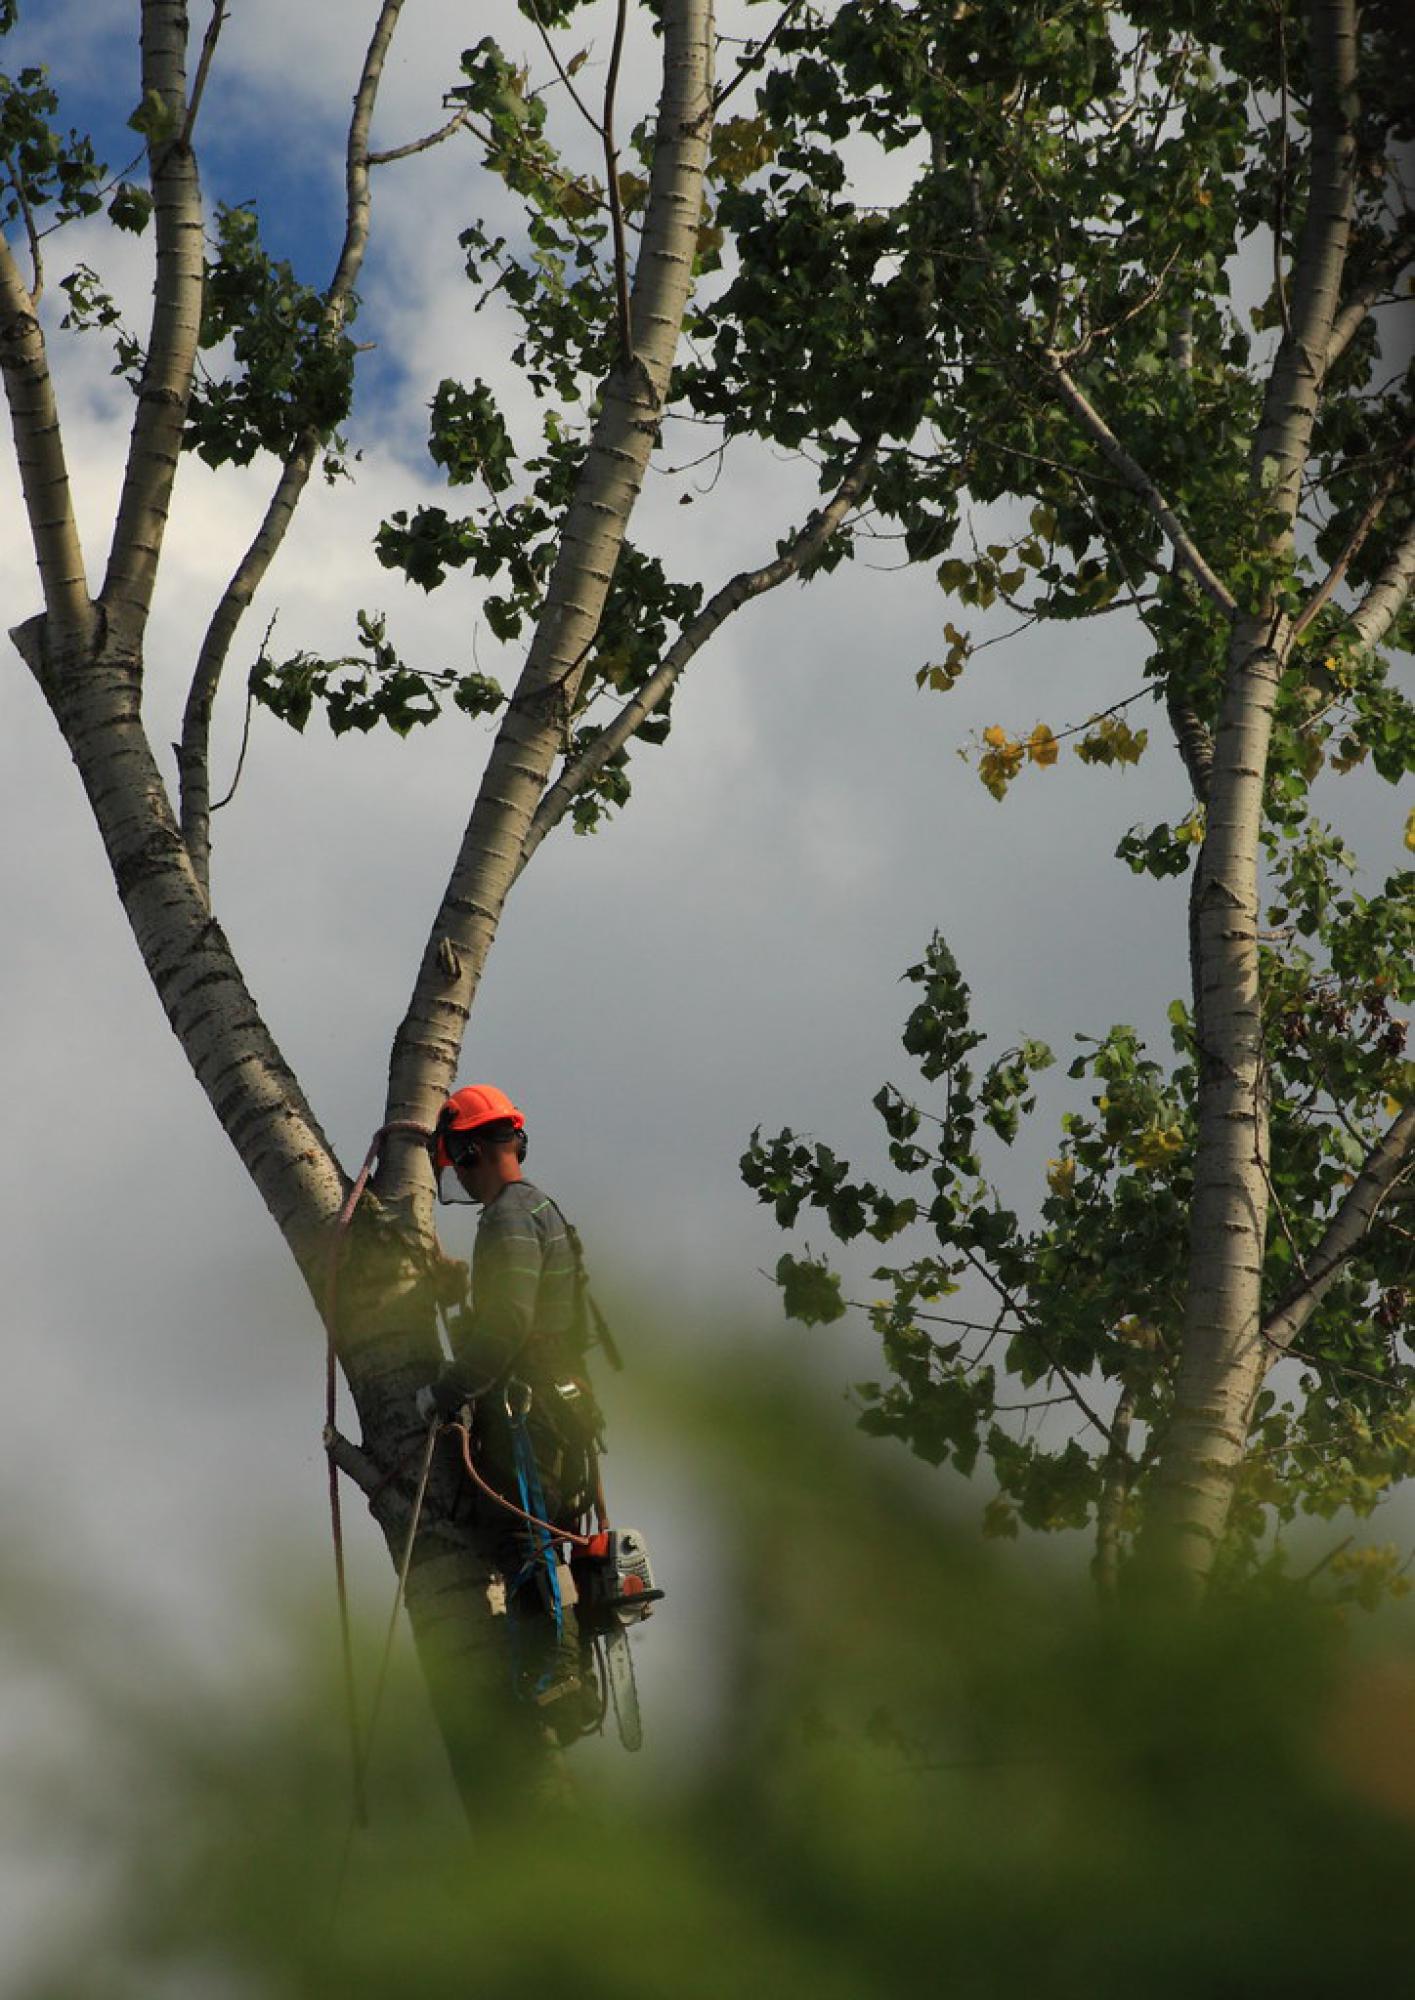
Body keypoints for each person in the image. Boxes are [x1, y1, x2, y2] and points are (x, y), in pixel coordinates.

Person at [427, 1084, 603, 1730]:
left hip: (528, 1411)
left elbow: (507, 1326)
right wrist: (456, 1298)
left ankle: (554, 1675)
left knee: (524, 1537)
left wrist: (446, 1392)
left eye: (455, 1162)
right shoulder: (537, 1211)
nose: (460, 1180)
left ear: (470, 1149)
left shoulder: (506, 1217)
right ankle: (556, 1671)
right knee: (533, 1537)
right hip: (557, 1404)